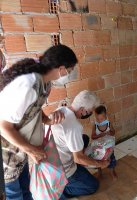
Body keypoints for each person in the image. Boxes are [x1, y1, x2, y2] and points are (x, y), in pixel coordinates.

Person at [0, 45, 78, 200]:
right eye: (69, 70)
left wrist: (47, 119)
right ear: (61, 69)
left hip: (20, 150)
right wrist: (31, 150)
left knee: (26, 190)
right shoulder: (28, 84)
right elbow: (4, 126)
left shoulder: (45, 83)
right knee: (14, 194)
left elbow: (33, 108)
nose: (69, 74)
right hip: (7, 154)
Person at [51, 90, 110, 199]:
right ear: (83, 110)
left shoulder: (61, 109)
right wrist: (101, 164)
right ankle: (59, 190)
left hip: (52, 158)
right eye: (90, 111)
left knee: (84, 138)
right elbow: (78, 158)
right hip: (61, 169)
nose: (90, 114)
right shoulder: (75, 126)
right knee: (93, 185)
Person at [91, 105, 117, 181]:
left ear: (106, 116)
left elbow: (113, 132)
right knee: (98, 159)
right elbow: (92, 136)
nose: (99, 121)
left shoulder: (108, 123)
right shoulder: (95, 125)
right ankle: (99, 172)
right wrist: (99, 135)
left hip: (108, 147)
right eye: (97, 119)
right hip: (98, 147)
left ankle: (112, 171)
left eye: (101, 119)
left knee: (111, 159)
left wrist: (110, 132)